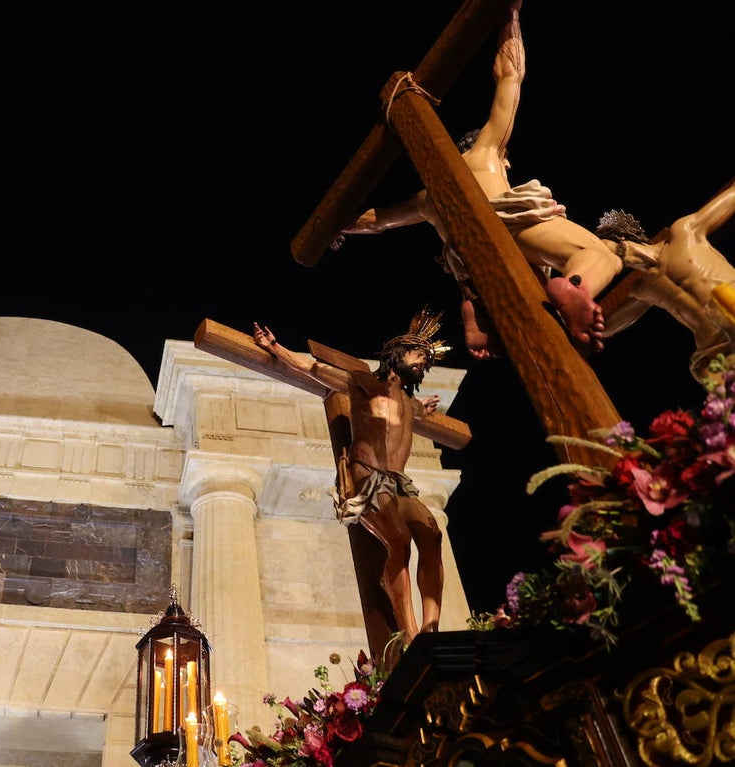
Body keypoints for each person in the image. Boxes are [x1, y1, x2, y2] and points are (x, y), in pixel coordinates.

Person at [330, 0, 620, 359]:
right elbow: (509, 78)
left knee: (534, 295)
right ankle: (577, 288)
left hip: (470, 262)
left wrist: (338, 227)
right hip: (502, 223)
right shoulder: (486, 152)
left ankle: (478, 306)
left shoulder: (428, 198)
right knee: (599, 254)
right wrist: (510, 17)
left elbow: (379, 221)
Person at [252, 312, 446, 649]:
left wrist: (423, 412)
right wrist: (275, 347)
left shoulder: (410, 403)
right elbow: (314, 369)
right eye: (417, 353)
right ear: (395, 354)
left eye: (426, 360)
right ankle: (410, 632)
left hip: (399, 482)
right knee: (398, 540)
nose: (422, 362)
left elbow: (410, 418)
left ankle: (431, 629)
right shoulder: (363, 382)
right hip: (366, 474)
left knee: (431, 534)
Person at [595, 177, 735, 385]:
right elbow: (605, 329)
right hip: (711, 348)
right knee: (722, 399)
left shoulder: (685, 233)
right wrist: (591, 326)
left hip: (731, 310)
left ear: (625, 239)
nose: (616, 256)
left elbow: (732, 198)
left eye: (614, 247)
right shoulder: (644, 288)